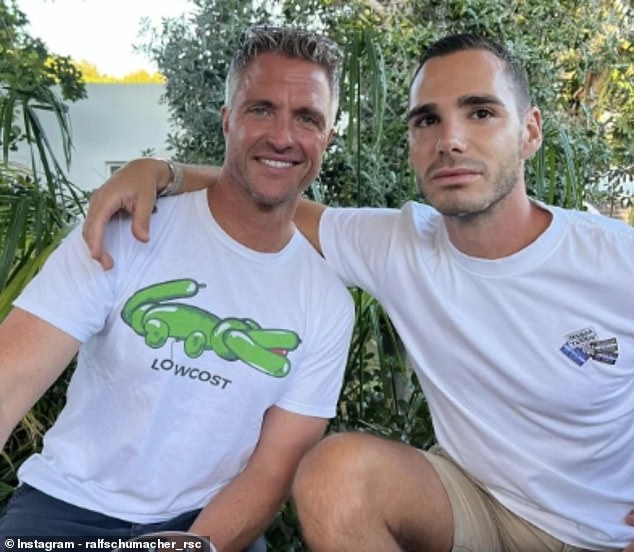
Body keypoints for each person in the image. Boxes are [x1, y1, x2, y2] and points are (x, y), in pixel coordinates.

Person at [82, 33, 634, 552]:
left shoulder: (613, 259)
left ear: (530, 131)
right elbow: (268, 190)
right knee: (335, 476)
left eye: (482, 112)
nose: (451, 140)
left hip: (608, 526)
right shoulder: (397, 245)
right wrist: (160, 171)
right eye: (427, 120)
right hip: (478, 502)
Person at [0, 26, 355, 552]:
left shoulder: (327, 301)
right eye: (261, 109)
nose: (283, 136)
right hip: (66, 511)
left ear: (326, 136)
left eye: (307, 117)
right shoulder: (127, 226)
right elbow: (11, 376)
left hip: (206, 522)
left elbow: (275, 464)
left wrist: (193, 545)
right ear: (228, 118)